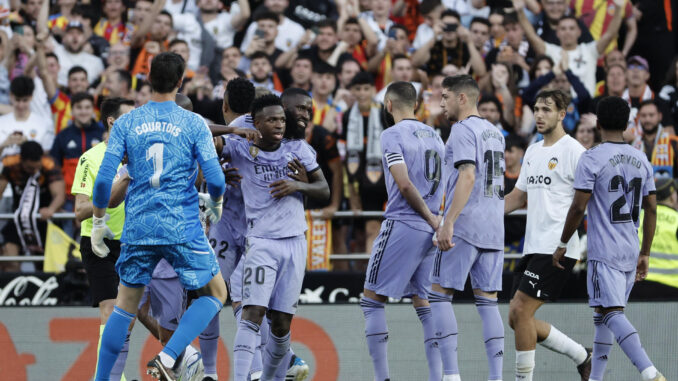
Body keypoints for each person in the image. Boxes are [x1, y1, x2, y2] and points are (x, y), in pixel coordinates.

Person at [91, 52, 227, 381]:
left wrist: (98, 223)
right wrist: (216, 202)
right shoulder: (193, 123)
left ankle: (99, 379)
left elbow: (103, 180)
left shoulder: (126, 122)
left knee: (124, 306)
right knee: (216, 294)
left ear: (149, 79)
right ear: (180, 81)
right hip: (180, 225)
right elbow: (217, 180)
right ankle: (167, 356)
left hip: (139, 226)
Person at [553, 96, 666, 381]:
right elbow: (651, 207)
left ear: (598, 124)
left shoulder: (591, 158)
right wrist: (646, 252)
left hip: (605, 251)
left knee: (612, 313)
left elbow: (579, 206)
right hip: (630, 249)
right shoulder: (641, 158)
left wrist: (564, 242)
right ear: (628, 124)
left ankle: (650, 372)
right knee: (603, 314)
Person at [225, 94, 329, 381]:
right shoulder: (240, 147)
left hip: (296, 242)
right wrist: (229, 141)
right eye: (272, 119)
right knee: (253, 313)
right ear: (256, 122)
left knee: (282, 324)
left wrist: (298, 185)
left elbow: (325, 191)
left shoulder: (298, 149)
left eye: (281, 119)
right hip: (260, 242)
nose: (279, 124)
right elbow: (200, 133)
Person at [503, 89, 590, 381]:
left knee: (520, 310)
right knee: (517, 318)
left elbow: (587, 201)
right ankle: (582, 355)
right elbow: (517, 196)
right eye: (537, 109)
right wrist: (482, 215)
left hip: (559, 248)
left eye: (547, 109)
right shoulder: (532, 150)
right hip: (534, 245)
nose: (539, 115)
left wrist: (566, 241)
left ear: (562, 114)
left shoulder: (575, 151)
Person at [360, 81, 444, 381]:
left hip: (405, 222)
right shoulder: (435, 135)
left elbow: (404, 183)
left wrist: (430, 219)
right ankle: (440, 376)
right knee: (424, 301)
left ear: (389, 105)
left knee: (371, 300)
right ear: (417, 104)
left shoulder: (391, 134)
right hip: (431, 226)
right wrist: (435, 220)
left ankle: (381, 378)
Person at [430, 74, 505, 381]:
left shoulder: (461, 130)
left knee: (438, 294)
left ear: (462, 98)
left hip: (466, 223)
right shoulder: (495, 132)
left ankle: (451, 376)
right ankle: (496, 377)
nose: (441, 102)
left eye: (445, 96)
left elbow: (468, 175)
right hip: (494, 227)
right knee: (488, 301)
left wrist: (448, 221)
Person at [72, 97, 135, 381]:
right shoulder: (91, 158)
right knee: (110, 311)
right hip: (99, 244)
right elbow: (80, 210)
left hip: (134, 242)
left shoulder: (138, 153)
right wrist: (111, 191)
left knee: (129, 317)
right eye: (129, 116)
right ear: (112, 121)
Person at [515, 0, 625, 96]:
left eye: (571, 28)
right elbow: (532, 36)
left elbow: (610, 34)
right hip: (558, 106)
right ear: (557, 33)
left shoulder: (590, 50)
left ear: (579, 32)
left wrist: (619, 8)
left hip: (585, 108)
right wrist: (520, 11)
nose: (567, 32)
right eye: (563, 29)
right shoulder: (551, 51)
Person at [0, 141, 65, 272]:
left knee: (45, 265)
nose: (35, 171)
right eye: (30, 168)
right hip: (19, 218)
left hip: (44, 219)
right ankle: (14, 287)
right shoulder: (10, 163)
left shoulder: (49, 164)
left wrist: (51, 209)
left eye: (37, 167)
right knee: (9, 255)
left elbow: (59, 195)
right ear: (22, 161)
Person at [637, 177, 678, 293]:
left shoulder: (638, 218)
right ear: (672, 197)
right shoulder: (676, 221)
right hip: (671, 291)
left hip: (637, 287)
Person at [0, 76, 54, 155]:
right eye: (17, 100)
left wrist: (27, 145)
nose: (21, 105)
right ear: (11, 96)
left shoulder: (44, 124)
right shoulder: (1, 122)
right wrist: (4, 145)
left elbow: (46, 157)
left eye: (25, 100)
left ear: (31, 97)